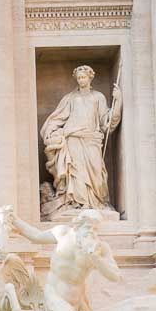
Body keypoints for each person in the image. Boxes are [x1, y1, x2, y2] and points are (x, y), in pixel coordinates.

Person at [7, 208, 121, 311]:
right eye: (87, 227)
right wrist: (15, 220)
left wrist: (95, 258)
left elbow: (115, 276)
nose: (91, 232)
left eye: (95, 229)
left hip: (79, 299)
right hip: (55, 294)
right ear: (78, 227)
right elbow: (36, 236)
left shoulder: (101, 248)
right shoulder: (63, 233)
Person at [40, 65, 121, 214]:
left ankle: (96, 202)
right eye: (78, 78)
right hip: (73, 138)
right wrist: (51, 131)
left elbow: (107, 122)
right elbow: (57, 117)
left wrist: (118, 102)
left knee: (96, 172)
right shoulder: (70, 98)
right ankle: (77, 203)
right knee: (76, 172)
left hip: (92, 139)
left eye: (83, 77)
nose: (81, 80)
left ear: (90, 77)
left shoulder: (98, 97)